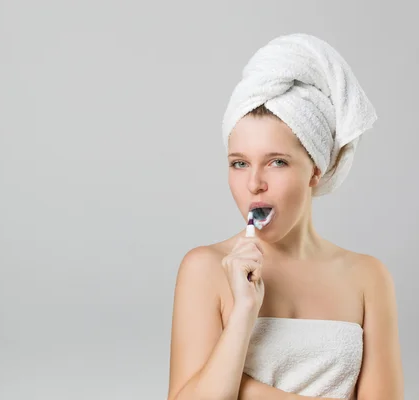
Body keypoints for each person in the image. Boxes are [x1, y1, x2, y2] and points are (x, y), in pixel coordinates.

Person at [167, 34, 404, 400]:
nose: (254, 183)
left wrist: (244, 391)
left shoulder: (367, 278)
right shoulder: (205, 268)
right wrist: (243, 312)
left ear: (315, 170)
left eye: (276, 162)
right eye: (239, 163)